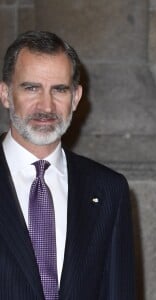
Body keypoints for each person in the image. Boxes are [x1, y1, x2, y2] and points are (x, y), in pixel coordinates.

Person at [0, 31, 136, 299]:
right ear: (5, 94)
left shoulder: (109, 189)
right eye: (31, 88)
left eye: (59, 89)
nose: (46, 106)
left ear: (75, 97)